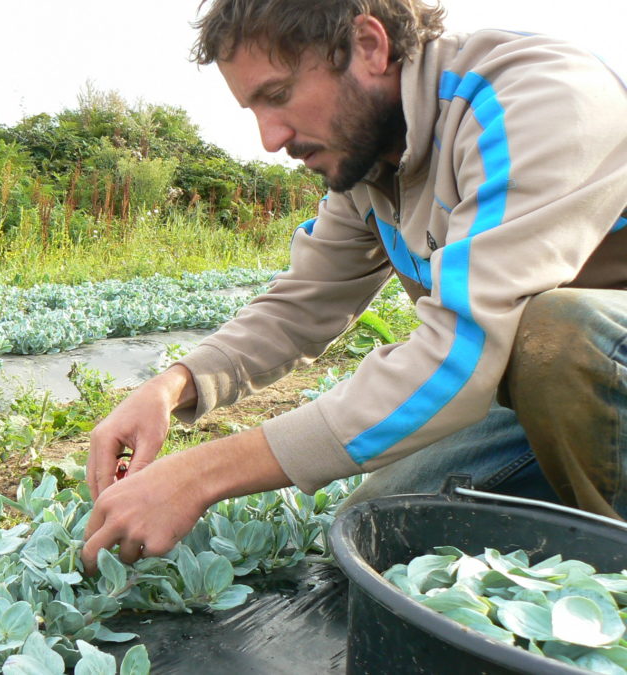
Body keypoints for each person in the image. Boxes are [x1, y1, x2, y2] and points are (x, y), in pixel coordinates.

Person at [80, 0, 627, 576]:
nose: (270, 138)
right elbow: (302, 303)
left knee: (561, 334)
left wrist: (199, 474)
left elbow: (458, 355)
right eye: (253, 108)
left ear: (369, 45)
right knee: (383, 527)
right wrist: (173, 385)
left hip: (595, 365)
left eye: (278, 94)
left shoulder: (533, 102)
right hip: (540, 395)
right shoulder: (370, 163)